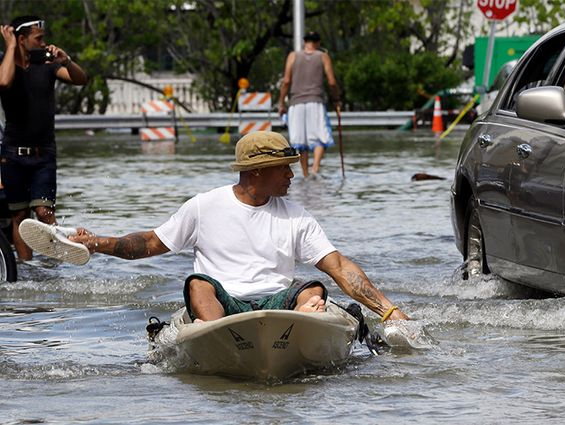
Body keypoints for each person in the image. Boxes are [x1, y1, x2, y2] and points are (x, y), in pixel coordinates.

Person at [69, 131, 409, 323]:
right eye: (284, 168)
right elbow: (149, 244)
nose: (292, 175)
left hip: (277, 304)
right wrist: (97, 243)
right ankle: (216, 331)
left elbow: (338, 266)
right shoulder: (204, 206)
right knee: (199, 285)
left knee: (313, 288)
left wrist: (388, 311)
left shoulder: (296, 215)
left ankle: (303, 322)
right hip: (224, 305)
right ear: (257, 171)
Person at [0, 15, 88, 261]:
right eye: (38, 38)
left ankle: (55, 266)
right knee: (20, 216)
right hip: (12, 154)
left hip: (44, 154)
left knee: (44, 212)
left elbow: (81, 80)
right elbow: (4, 82)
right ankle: (27, 270)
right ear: (21, 39)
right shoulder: (4, 63)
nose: (43, 43)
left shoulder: (48, 65)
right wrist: (9, 47)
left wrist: (67, 61)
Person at [278, 31, 339, 178]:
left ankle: (305, 174)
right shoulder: (323, 56)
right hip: (315, 101)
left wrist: (281, 103)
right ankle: (315, 169)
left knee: (300, 141)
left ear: (304, 41)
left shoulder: (293, 56)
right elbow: (332, 82)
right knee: (319, 137)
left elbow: (286, 81)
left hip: (295, 103)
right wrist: (337, 99)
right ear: (318, 43)